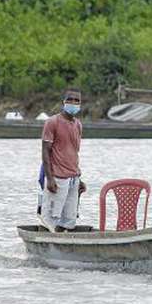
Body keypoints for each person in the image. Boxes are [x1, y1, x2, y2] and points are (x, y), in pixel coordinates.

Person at [39, 88, 86, 232]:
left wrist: (78, 178)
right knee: (49, 219)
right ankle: (45, 246)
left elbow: (74, 152)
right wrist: (50, 179)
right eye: (70, 99)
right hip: (57, 177)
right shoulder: (52, 122)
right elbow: (45, 151)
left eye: (76, 100)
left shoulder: (78, 124)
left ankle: (64, 247)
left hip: (73, 178)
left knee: (69, 220)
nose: (73, 103)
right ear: (64, 102)